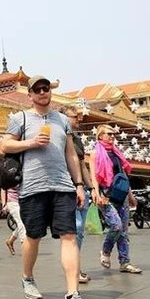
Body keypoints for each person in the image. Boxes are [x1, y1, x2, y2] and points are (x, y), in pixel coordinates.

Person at [1, 75, 96, 299]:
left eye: (46, 88)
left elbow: (71, 155)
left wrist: (79, 184)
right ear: (30, 95)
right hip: (33, 187)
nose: (43, 92)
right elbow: (5, 145)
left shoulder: (62, 120)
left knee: (69, 236)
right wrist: (31, 142)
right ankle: (27, 278)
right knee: (33, 237)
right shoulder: (19, 118)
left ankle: (73, 295)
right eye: (38, 89)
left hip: (63, 185)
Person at [90, 124, 141, 274]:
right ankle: (105, 251)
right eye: (108, 134)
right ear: (100, 136)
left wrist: (130, 195)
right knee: (116, 226)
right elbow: (94, 175)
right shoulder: (95, 153)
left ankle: (125, 262)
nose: (112, 136)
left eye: (113, 134)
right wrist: (96, 192)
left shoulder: (117, 154)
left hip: (122, 195)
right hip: (106, 195)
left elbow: (123, 176)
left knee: (124, 231)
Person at [60, 105, 98, 283]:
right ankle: (73, 271)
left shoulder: (77, 139)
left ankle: (76, 267)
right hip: (66, 188)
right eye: (74, 116)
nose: (78, 119)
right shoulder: (58, 137)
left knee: (80, 230)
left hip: (81, 188)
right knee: (74, 228)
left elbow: (82, 165)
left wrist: (91, 187)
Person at [1, 187, 26, 255]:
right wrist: (4, 204)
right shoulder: (9, 176)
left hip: (23, 202)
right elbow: (3, 189)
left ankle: (10, 241)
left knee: (24, 223)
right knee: (21, 223)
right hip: (12, 202)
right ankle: (24, 245)